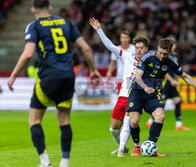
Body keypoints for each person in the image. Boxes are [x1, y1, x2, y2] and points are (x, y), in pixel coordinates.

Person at [7, 1, 101, 167]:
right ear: (50, 9)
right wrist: (93, 70)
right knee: (64, 120)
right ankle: (64, 163)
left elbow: (28, 53)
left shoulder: (34, 25)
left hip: (48, 76)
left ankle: (45, 163)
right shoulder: (66, 23)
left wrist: (13, 75)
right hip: (67, 75)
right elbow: (86, 48)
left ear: (33, 10)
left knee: (34, 120)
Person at [127, 38, 196, 157]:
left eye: (165, 54)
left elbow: (186, 77)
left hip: (153, 93)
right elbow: (138, 76)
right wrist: (145, 87)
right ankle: (137, 146)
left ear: (170, 52)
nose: (161, 56)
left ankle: (151, 147)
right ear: (157, 49)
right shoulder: (147, 56)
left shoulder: (171, 62)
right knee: (134, 121)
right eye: (160, 52)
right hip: (138, 90)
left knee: (160, 116)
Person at [89, 17, 149, 157]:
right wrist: (99, 30)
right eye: (138, 48)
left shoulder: (149, 62)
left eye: (141, 48)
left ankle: (121, 150)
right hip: (122, 95)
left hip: (135, 96)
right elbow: (110, 46)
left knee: (128, 119)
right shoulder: (126, 56)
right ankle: (122, 146)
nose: (139, 50)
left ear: (145, 49)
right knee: (113, 129)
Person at [146, 37, 190, 130]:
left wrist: (177, 81)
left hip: (173, 83)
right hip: (165, 83)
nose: (173, 47)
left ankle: (178, 124)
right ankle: (150, 121)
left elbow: (175, 71)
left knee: (177, 101)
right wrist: (172, 80)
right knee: (162, 103)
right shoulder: (162, 56)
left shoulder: (174, 56)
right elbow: (164, 71)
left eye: (174, 45)